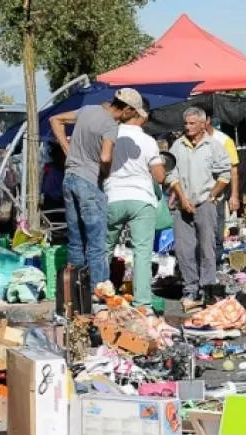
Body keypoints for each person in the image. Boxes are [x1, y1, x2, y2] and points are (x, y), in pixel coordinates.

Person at [49, 88, 138, 293]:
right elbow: (106, 157)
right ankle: (98, 294)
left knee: (76, 240)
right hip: (89, 182)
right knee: (96, 243)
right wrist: (105, 173)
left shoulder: (88, 110)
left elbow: (55, 119)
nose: (131, 118)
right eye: (132, 114)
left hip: (70, 178)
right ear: (125, 109)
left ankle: (75, 295)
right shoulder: (110, 125)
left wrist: (66, 148)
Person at [166, 107, 233, 311]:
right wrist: (180, 196)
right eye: (186, 123)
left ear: (203, 124)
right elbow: (171, 173)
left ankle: (207, 286)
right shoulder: (178, 145)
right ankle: (190, 287)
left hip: (205, 201)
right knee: (184, 249)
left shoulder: (214, 146)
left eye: (192, 123)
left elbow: (225, 174)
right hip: (182, 202)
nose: (188, 127)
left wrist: (212, 196)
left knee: (206, 246)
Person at [101, 97, 164, 310]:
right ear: (142, 115)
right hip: (141, 199)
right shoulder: (148, 141)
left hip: (113, 197)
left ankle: (98, 294)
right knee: (142, 253)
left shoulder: (110, 135)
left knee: (105, 249)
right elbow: (160, 176)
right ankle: (143, 305)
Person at [204, 107, 241, 258]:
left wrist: (234, 195)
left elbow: (233, 169)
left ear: (207, 120)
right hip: (195, 192)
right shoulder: (189, 140)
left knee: (217, 225)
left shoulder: (224, 141)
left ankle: (216, 258)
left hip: (217, 191)